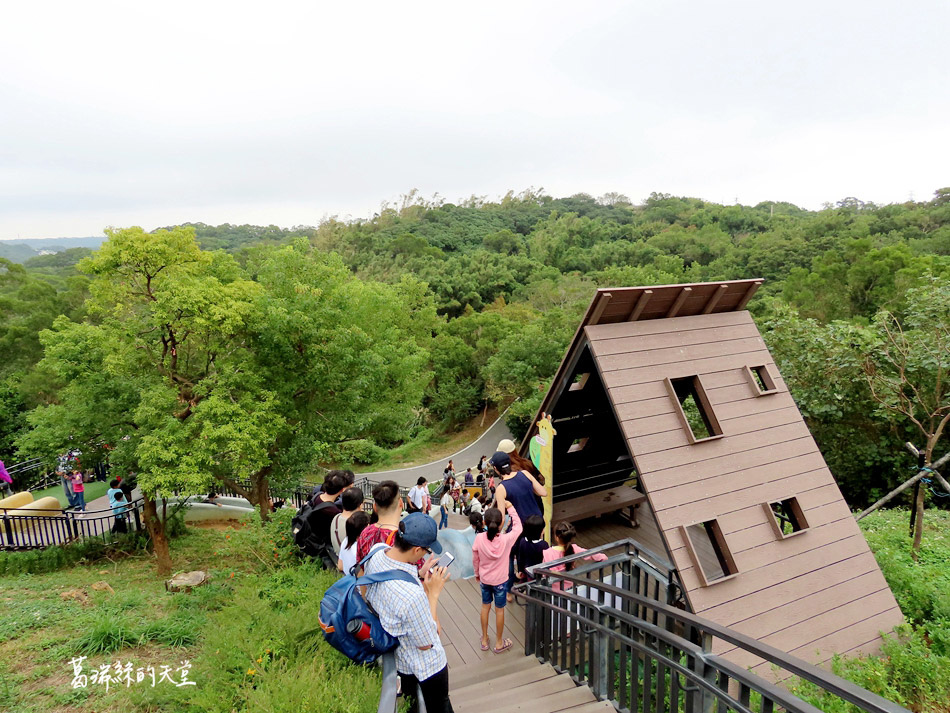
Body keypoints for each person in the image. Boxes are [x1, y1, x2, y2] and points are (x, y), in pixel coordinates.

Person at [363, 513, 454, 713]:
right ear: (417, 550)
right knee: (440, 706)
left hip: (398, 661)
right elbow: (427, 641)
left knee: (414, 704)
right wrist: (433, 593)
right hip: (424, 668)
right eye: (426, 550)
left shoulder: (377, 551)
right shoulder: (412, 597)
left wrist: (420, 575)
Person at [489, 451, 547, 600]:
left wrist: (496, 535)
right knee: (535, 551)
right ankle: (532, 580)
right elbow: (543, 492)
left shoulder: (502, 488)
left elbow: (501, 518)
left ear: (496, 469)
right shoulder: (525, 474)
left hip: (519, 525)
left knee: (509, 555)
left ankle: (509, 590)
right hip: (537, 522)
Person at [472, 507, 522, 654]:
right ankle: (499, 643)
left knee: (485, 606)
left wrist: (477, 574)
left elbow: (475, 559)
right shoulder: (506, 540)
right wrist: (511, 508)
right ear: (501, 524)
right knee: (499, 611)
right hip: (501, 582)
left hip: (485, 580)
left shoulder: (479, 538)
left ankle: (484, 639)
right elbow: (518, 527)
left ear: (484, 522)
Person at [541, 521, 608, 590]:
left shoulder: (548, 553)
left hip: (555, 589)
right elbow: (590, 554)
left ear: (557, 538)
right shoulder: (574, 548)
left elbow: (544, 574)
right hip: (571, 586)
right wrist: (603, 557)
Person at [308, 471, 345, 569]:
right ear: (341, 490)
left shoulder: (317, 496)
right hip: (323, 545)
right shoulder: (333, 511)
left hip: (312, 536)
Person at [331, 487, 365, 556]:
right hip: (350, 562)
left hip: (337, 556)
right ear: (360, 505)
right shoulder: (356, 524)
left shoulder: (336, 517)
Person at [514, 515, 549, 582]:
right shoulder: (543, 545)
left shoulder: (523, 541)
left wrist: (520, 570)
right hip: (539, 574)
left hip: (526, 571)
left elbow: (520, 558)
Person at [337, 510, 370, 575]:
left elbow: (340, 566)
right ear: (366, 528)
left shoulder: (346, 541)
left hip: (348, 578)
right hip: (357, 583)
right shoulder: (361, 550)